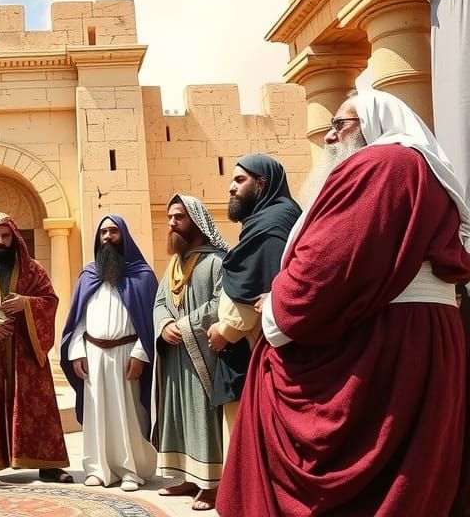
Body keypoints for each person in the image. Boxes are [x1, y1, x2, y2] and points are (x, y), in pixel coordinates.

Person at [219, 90, 470, 516]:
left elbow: (329, 263)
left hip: (387, 338)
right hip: (414, 333)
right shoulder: (416, 167)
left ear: (374, 124)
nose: (330, 137)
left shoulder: (382, 163)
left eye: (341, 125)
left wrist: (279, 304)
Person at [0, 212, 72, 485]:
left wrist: (26, 304)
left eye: (5, 236)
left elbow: (50, 301)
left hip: (26, 352)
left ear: (14, 236)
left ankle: (49, 464)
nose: (0, 242)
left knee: (37, 405)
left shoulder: (34, 270)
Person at [207, 155, 300, 458]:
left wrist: (225, 331)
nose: (231, 188)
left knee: (252, 443)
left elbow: (256, 286)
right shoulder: (274, 218)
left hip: (257, 348)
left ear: (262, 183)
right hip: (258, 346)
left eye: (239, 180)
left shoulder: (271, 224)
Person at [60, 215, 158, 491]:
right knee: (96, 415)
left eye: (113, 232)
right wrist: (76, 351)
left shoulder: (142, 275)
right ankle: (98, 469)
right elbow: (77, 319)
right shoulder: (89, 275)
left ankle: (131, 471)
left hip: (127, 355)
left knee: (129, 414)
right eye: (103, 232)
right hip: (92, 355)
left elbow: (150, 320)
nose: (107, 237)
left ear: (123, 235)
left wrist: (140, 354)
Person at [153, 194, 227, 512]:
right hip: (174, 354)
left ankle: (212, 485)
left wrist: (183, 325)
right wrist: (164, 324)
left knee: (203, 416)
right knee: (179, 415)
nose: (172, 223)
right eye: (169, 217)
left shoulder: (217, 261)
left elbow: (220, 303)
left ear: (196, 221)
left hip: (203, 354)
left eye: (179, 217)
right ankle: (187, 477)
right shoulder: (173, 264)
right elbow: (159, 302)